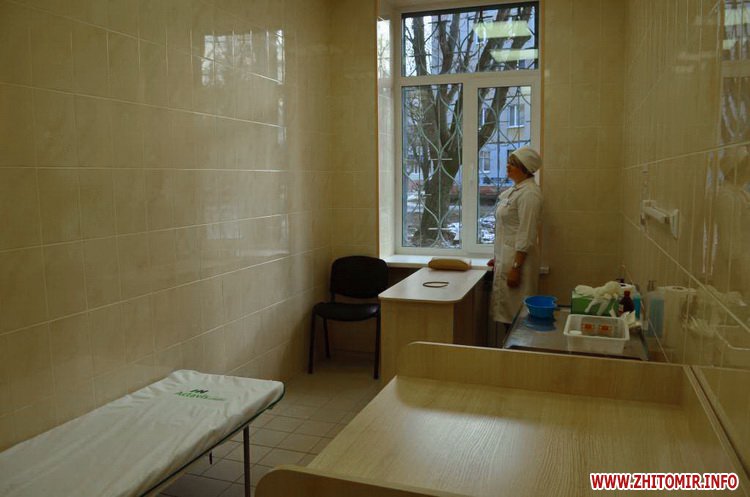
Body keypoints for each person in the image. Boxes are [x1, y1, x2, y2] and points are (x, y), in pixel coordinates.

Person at [489, 147, 543, 326]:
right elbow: (507, 230)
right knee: (508, 317)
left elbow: (526, 234)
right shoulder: (515, 191)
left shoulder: (530, 194)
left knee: (518, 320)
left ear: (525, 168)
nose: (507, 166)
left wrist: (516, 268)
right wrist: (498, 257)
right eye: (509, 162)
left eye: (513, 164)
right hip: (508, 261)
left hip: (519, 264)